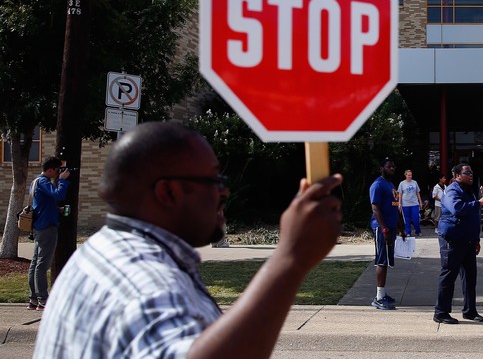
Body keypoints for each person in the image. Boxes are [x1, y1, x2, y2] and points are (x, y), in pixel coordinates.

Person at [33, 122, 344, 358]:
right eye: (213, 179)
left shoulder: (102, 252)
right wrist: (289, 259)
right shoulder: (142, 280)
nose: (225, 191)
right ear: (167, 192)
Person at [433, 164, 483, 324]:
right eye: (467, 173)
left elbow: (474, 217)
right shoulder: (452, 190)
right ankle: (441, 312)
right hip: (452, 239)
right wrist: (478, 203)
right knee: (448, 274)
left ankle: (470, 311)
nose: (471, 175)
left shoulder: (469, 191)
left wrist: (476, 239)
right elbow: (457, 209)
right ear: (457, 175)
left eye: (472, 172)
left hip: (468, 240)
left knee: (470, 278)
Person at [27, 157, 71, 311]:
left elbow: (43, 202)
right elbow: (58, 194)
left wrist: (56, 210)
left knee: (35, 263)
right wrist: (63, 181)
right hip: (46, 227)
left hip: (39, 226)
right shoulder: (44, 181)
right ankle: (43, 299)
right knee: (42, 264)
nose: (59, 172)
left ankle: (33, 298)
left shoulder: (35, 182)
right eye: (58, 170)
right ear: (51, 170)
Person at [370, 158, 405, 310]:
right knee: (381, 260)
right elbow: (375, 209)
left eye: (393, 166)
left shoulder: (391, 185)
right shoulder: (377, 185)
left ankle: (383, 294)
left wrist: (401, 228)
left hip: (391, 228)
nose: (392, 168)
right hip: (381, 228)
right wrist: (384, 229)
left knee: (387, 261)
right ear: (381, 168)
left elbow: (395, 208)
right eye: (389, 166)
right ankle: (378, 298)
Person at [398, 169, 423, 237]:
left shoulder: (414, 182)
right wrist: (399, 204)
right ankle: (408, 232)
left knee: (416, 218)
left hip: (414, 203)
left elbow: (418, 193)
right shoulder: (402, 183)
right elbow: (400, 194)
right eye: (408, 175)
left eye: (411, 175)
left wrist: (420, 202)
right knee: (407, 219)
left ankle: (418, 231)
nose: (410, 176)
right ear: (405, 175)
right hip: (405, 204)